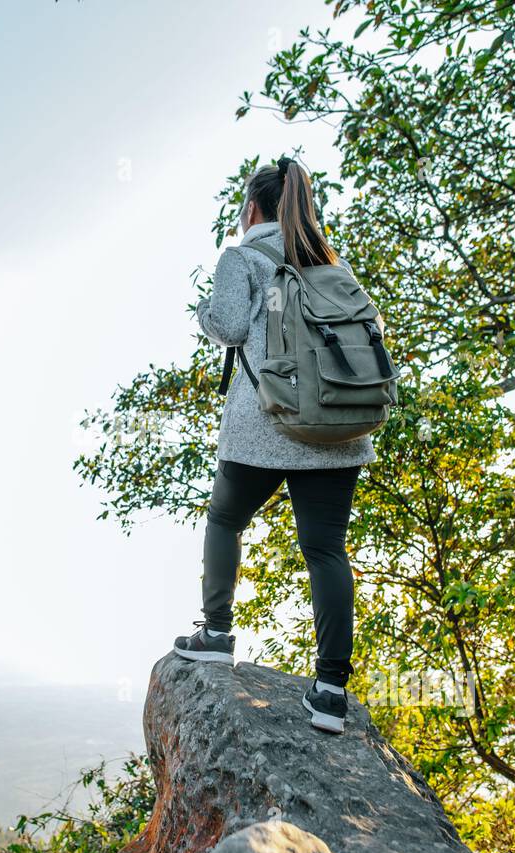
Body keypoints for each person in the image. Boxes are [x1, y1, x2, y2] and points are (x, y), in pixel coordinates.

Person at [173, 156, 376, 734]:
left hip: (268, 427)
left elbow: (231, 326)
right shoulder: (330, 262)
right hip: (339, 427)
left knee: (224, 519)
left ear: (253, 208)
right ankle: (331, 691)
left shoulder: (242, 257)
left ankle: (215, 634)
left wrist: (206, 312)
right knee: (325, 551)